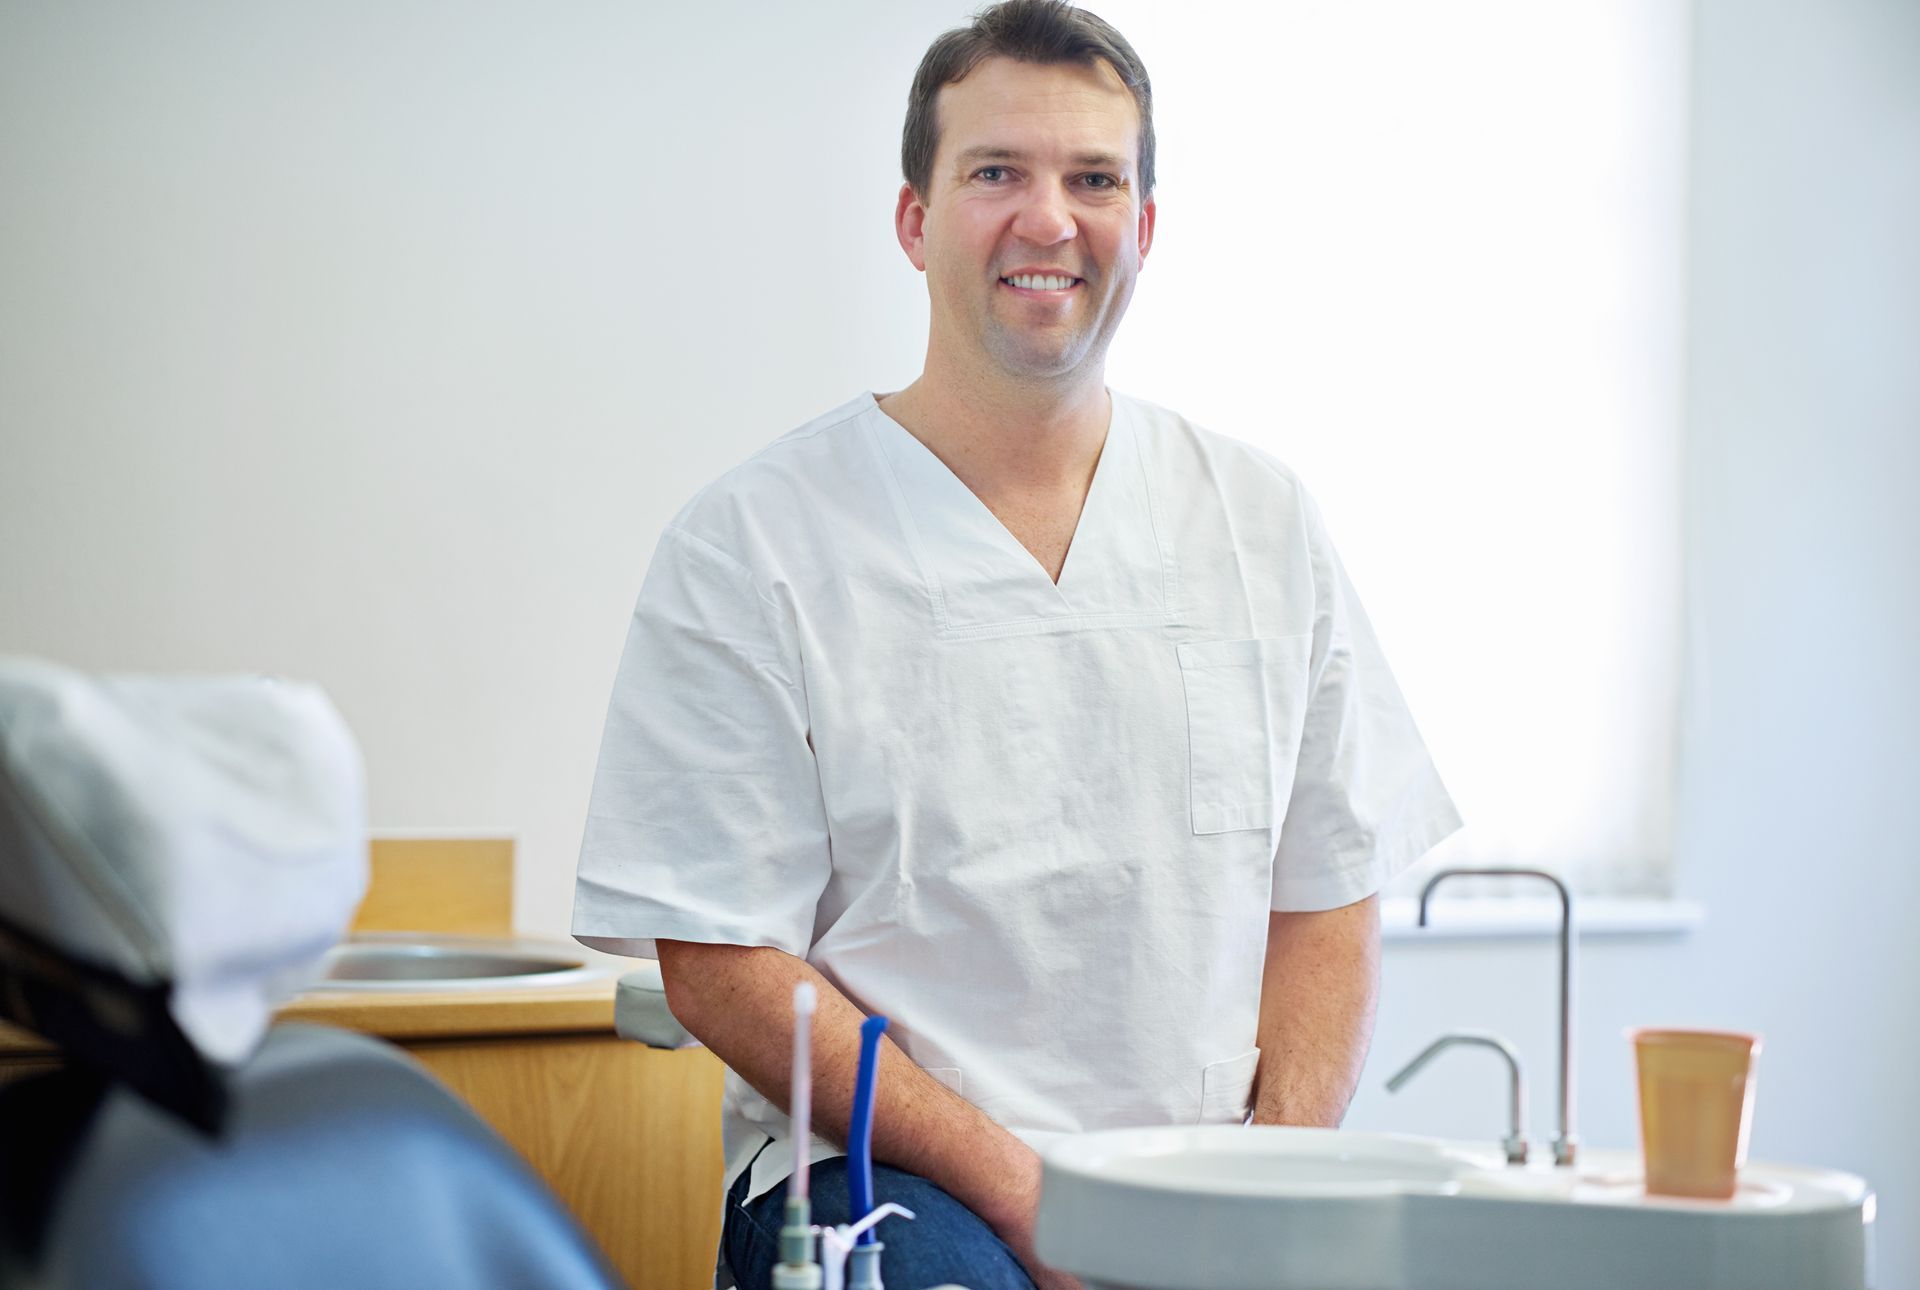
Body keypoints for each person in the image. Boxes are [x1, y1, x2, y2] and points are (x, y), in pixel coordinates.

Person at [572, 3, 1462, 1287]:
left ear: (1144, 229)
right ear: (915, 219)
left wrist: (1273, 1189)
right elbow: (718, 962)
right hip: (886, 1184)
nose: (1050, 220)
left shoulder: (1261, 521)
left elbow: (1327, 893)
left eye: (1094, 179)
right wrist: (1034, 1197)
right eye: (998, 173)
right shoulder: (754, 542)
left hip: (1200, 1184)